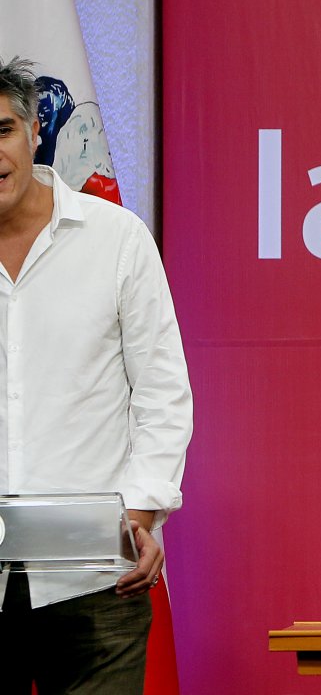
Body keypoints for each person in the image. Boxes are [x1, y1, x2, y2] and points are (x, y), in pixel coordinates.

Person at [0, 57, 193, 692]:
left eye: (2, 130)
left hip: (95, 573)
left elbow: (162, 393)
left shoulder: (117, 240)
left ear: (33, 133)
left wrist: (141, 513)